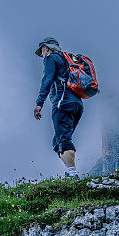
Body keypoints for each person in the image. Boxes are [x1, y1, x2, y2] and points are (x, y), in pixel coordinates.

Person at [33, 37, 83, 179]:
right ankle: (69, 171)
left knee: (63, 139)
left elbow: (47, 80)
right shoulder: (68, 60)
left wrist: (39, 103)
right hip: (77, 104)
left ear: (46, 48)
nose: (42, 54)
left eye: (41, 51)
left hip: (63, 103)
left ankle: (72, 174)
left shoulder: (51, 58)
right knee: (57, 141)